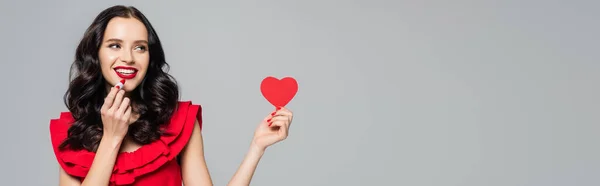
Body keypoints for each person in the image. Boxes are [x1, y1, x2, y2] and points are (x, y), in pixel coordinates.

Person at [49, 5, 294, 186]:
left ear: (150, 56)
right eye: (115, 45)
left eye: (140, 47)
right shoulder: (72, 132)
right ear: (96, 54)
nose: (128, 57)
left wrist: (256, 147)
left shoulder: (178, 121)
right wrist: (112, 138)